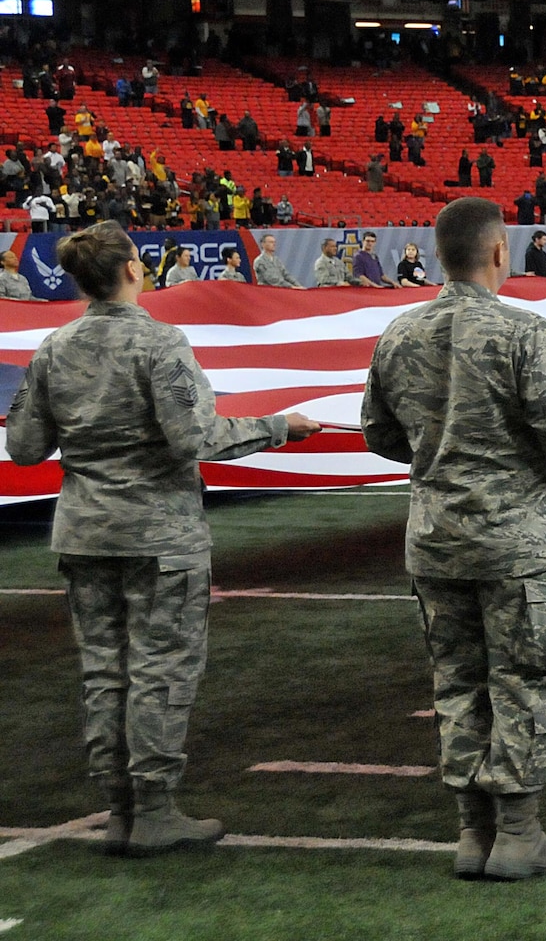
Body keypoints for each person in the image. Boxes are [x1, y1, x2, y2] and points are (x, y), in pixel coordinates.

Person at [7, 223, 318, 856]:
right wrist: (278, 426)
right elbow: (193, 437)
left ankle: (118, 808)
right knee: (159, 670)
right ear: (130, 270)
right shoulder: (159, 343)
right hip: (158, 535)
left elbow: (24, 445)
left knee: (104, 671)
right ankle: (153, 808)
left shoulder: (53, 347)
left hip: (85, 531)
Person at [360, 198, 546, 882]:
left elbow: (381, 435)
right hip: (517, 545)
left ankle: (472, 834)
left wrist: (443, 452)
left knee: (458, 683)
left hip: (437, 539)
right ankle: (518, 832)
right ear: (501, 252)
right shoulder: (524, 332)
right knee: (523, 682)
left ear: (440, 254)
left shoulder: (399, 334)